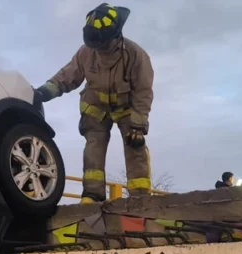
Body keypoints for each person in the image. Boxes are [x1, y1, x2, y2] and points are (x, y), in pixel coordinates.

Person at [34, 4, 154, 203]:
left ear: (116, 36)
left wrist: (138, 126)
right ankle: (92, 195)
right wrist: (44, 92)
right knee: (93, 150)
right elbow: (67, 76)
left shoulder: (135, 55)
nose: (99, 49)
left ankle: (140, 197)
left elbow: (143, 91)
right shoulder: (86, 52)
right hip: (96, 109)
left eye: (102, 45)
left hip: (127, 110)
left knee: (135, 147)